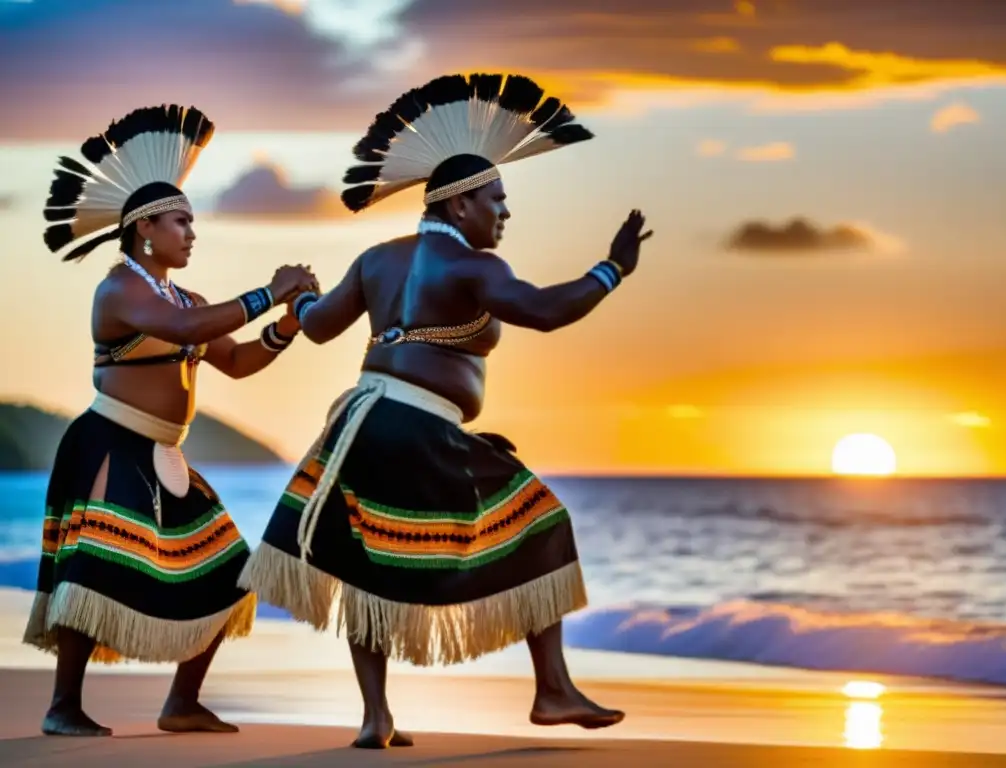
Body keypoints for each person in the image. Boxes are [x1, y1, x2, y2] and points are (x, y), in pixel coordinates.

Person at [239, 72, 652, 749]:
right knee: (545, 521)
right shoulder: (476, 269)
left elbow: (317, 327)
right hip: (415, 424)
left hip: (360, 424)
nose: (505, 214)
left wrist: (297, 298)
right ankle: (551, 690)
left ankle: (376, 718)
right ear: (460, 207)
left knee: (363, 562)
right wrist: (612, 269)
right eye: (497, 200)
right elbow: (548, 311)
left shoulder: (378, 260)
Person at [24, 104, 319, 737]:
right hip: (108, 442)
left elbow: (235, 361)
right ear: (144, 230)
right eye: (181, 222)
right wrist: (268, 291)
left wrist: (286, 324)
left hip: (165, 453)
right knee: (95, 569)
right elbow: (186, 332)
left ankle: (181, 702)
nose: (192, 233)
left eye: (192, 222)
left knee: (231, 570)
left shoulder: (187, 299)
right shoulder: (118, 291)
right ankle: (61, 706)